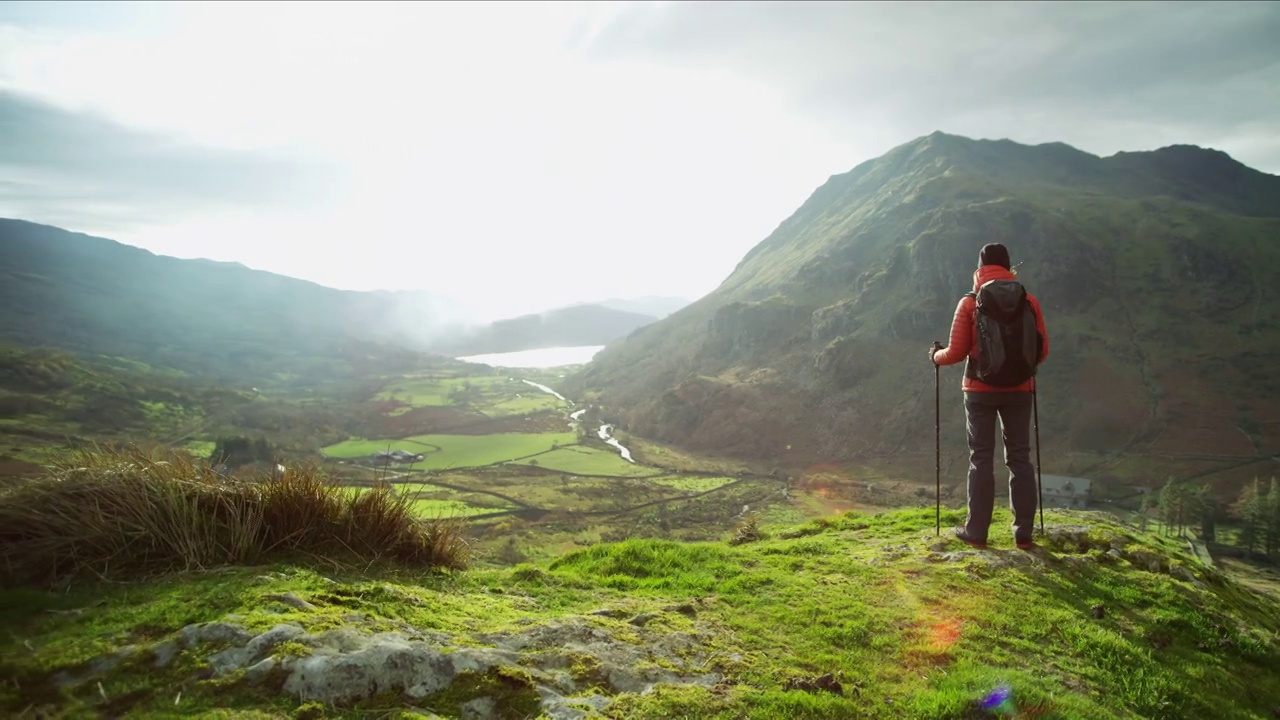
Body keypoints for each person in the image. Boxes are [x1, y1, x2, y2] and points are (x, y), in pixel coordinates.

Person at [930, 243, 1049, 549]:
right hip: (1021, 391)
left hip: (979, 391)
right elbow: (1042, 351)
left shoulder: (970, 302)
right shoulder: (1029, 301)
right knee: (1020, 459)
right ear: (1009, 267)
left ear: (979, 267)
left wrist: (935, 356)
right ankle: (1023, 533)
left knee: (980, 458)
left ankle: (977, 533)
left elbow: (955, 353)